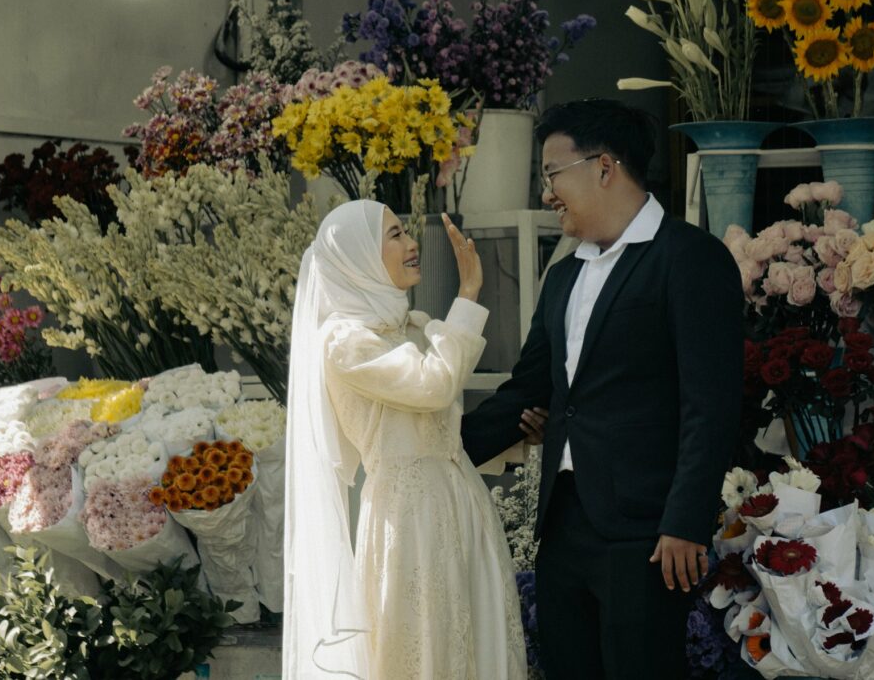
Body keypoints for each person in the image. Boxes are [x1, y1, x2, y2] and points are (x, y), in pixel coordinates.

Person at [461, 99, 744, 679]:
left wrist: (685, 521)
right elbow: (527, 388)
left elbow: (710, 405)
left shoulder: (690, 258)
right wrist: (435, 447)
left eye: (552, 174)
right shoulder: (563, 276)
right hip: (563, 522)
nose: (547, 194)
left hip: (648, 530)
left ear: (605, 167)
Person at [282, 199, 526, 679]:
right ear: (358, 256)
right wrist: (469, 292)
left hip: (461, 501)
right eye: (394, 235)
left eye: (406, 231)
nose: (412, 244)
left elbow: (441, 426)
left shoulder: (412, 326)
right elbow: (433, 386)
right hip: (410, 518)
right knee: (426, 646)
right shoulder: (345, 341)